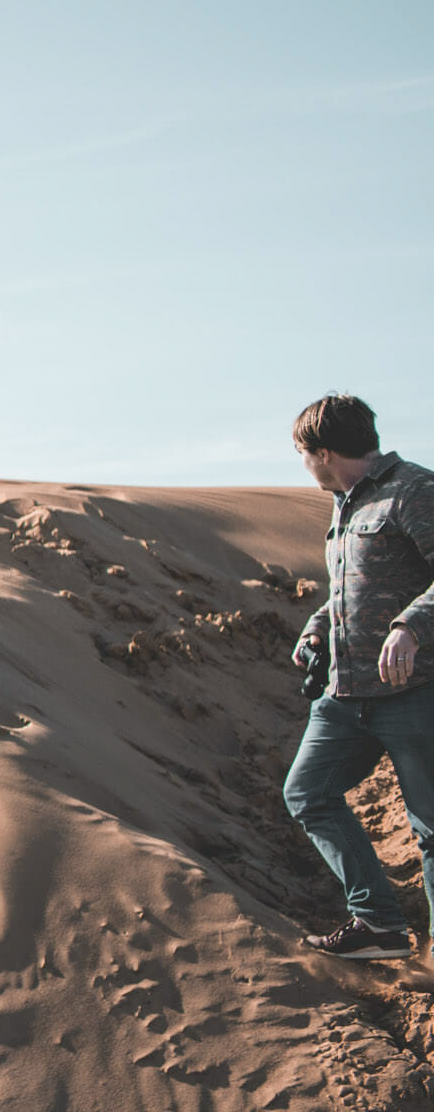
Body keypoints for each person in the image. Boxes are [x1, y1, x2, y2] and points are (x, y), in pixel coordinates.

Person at [282, 394, 434, 960]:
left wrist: (411, 627)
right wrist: (317, 626)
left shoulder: (415, 490)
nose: (303, 466)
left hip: (414, 693)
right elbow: (351, 590)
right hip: (345, 696)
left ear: (322, 452)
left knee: (432, 831)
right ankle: (380, 925)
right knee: (308, 793)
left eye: (303, 454)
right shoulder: (344, 505)